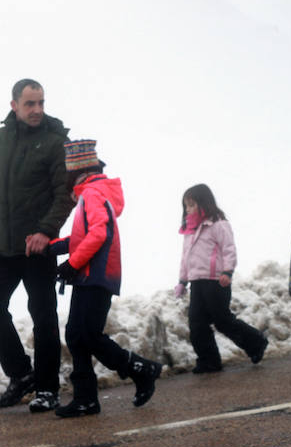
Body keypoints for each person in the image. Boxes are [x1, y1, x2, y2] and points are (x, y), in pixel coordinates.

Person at [0, 79, 74, 412]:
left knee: (43, 315)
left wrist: (45, 231)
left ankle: (48, 387)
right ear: (14, 106)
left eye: (40, 103)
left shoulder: (55, 143)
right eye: (29, 104)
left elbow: (64, 195)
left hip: (37, 248)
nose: (37, 110)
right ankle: (22, 374)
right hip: (4, 246)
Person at [48, 139, 162, 418]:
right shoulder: (93, 193)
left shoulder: (92, 194)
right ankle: (85, 399)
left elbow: (99, 234)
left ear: (76, 172)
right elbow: (82, 236)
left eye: (67, 172)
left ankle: (140, 368)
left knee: (87, 335)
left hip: (95, 276)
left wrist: (72, 264)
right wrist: (53, 247)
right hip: (90, 276)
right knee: (76, 335)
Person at [175, 184, 268, 373]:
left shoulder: (218, 224)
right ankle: (209, 360)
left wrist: (227, 272)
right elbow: (186, 258)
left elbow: (229, 249)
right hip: (197, 282)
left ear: (204, 203)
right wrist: (182, 281)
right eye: (186, 206)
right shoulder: (189, 230)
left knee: (222, 320)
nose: (188, 210)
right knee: (196, 322)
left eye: (192, 205)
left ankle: (256, 343)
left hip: (217, 281)